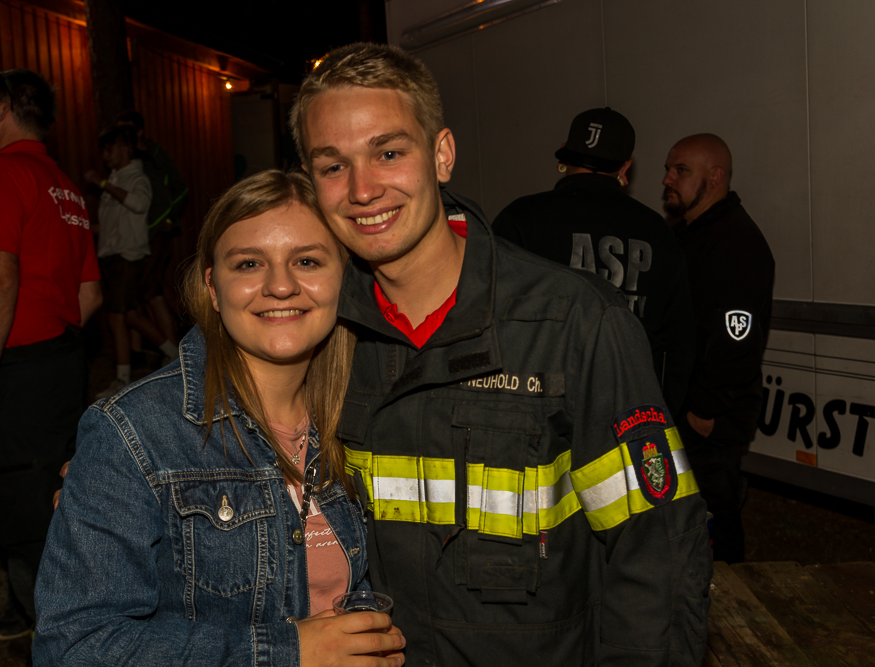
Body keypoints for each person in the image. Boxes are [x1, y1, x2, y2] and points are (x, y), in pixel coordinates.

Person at [290, 43, 712, 665]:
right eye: (333, 166)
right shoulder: (314, 332)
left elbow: (658, 551)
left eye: (388, 153)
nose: (362, 189)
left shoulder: (572, 323)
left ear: (442, 155)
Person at [33, 170, 406, 667]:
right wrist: (288, 652)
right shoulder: (135, 433)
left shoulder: (371, 412)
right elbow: (73, 648)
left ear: (345, 278)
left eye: (307, 261)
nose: (280, 285)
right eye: (249, 263)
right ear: (213, 287)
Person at [0, 68, 103, 637]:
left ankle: (59, 639)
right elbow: (89, 294)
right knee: (53, 491)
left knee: (22, 508)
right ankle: (80, 618)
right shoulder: (64, 185)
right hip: (60, 360)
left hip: (16, 368)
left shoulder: (0, 172)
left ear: (2, 110)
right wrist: (50, 341)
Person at [493, 108, 696, 418]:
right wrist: (662, 413)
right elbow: (680, 340)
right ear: (625, 167)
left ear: (566, 153)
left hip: (537, 412)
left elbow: (486, 317)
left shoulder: (519, 218)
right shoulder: (658, 232)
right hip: (630, 410)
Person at [663, 133, 775, 564]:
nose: (668, 179)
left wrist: (705, 408)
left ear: (715, 177)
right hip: (686, 406)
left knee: (713, 514)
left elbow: (736, 337)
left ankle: (730, 596)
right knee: (682, 517)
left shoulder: (735, 241)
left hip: (711, 414)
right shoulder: (688, 234)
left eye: (681, 170)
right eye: (669, 169)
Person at [83, 125, 177, 399]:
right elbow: (112, 226)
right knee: (130, 315)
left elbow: (138, 204)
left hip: (129, 257)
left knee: (117, 317)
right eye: (103, 150)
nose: (105, 155)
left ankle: (122, 379)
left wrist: (103, 184)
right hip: (112, 256)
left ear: (125, 149)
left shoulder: (137, 177)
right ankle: (175, 355)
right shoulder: (115, 179)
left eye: (110, 149)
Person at [116, 109, 186, 356]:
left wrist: (168, 219)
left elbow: (179, 188)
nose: (123, 133)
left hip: (157, 232)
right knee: (151, 289)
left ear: (140, 131)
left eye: (127, 128)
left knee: (149, 291)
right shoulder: (129, 160)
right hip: (140, 236)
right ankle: (155, 350)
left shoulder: (153, 157)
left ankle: (174, 351)